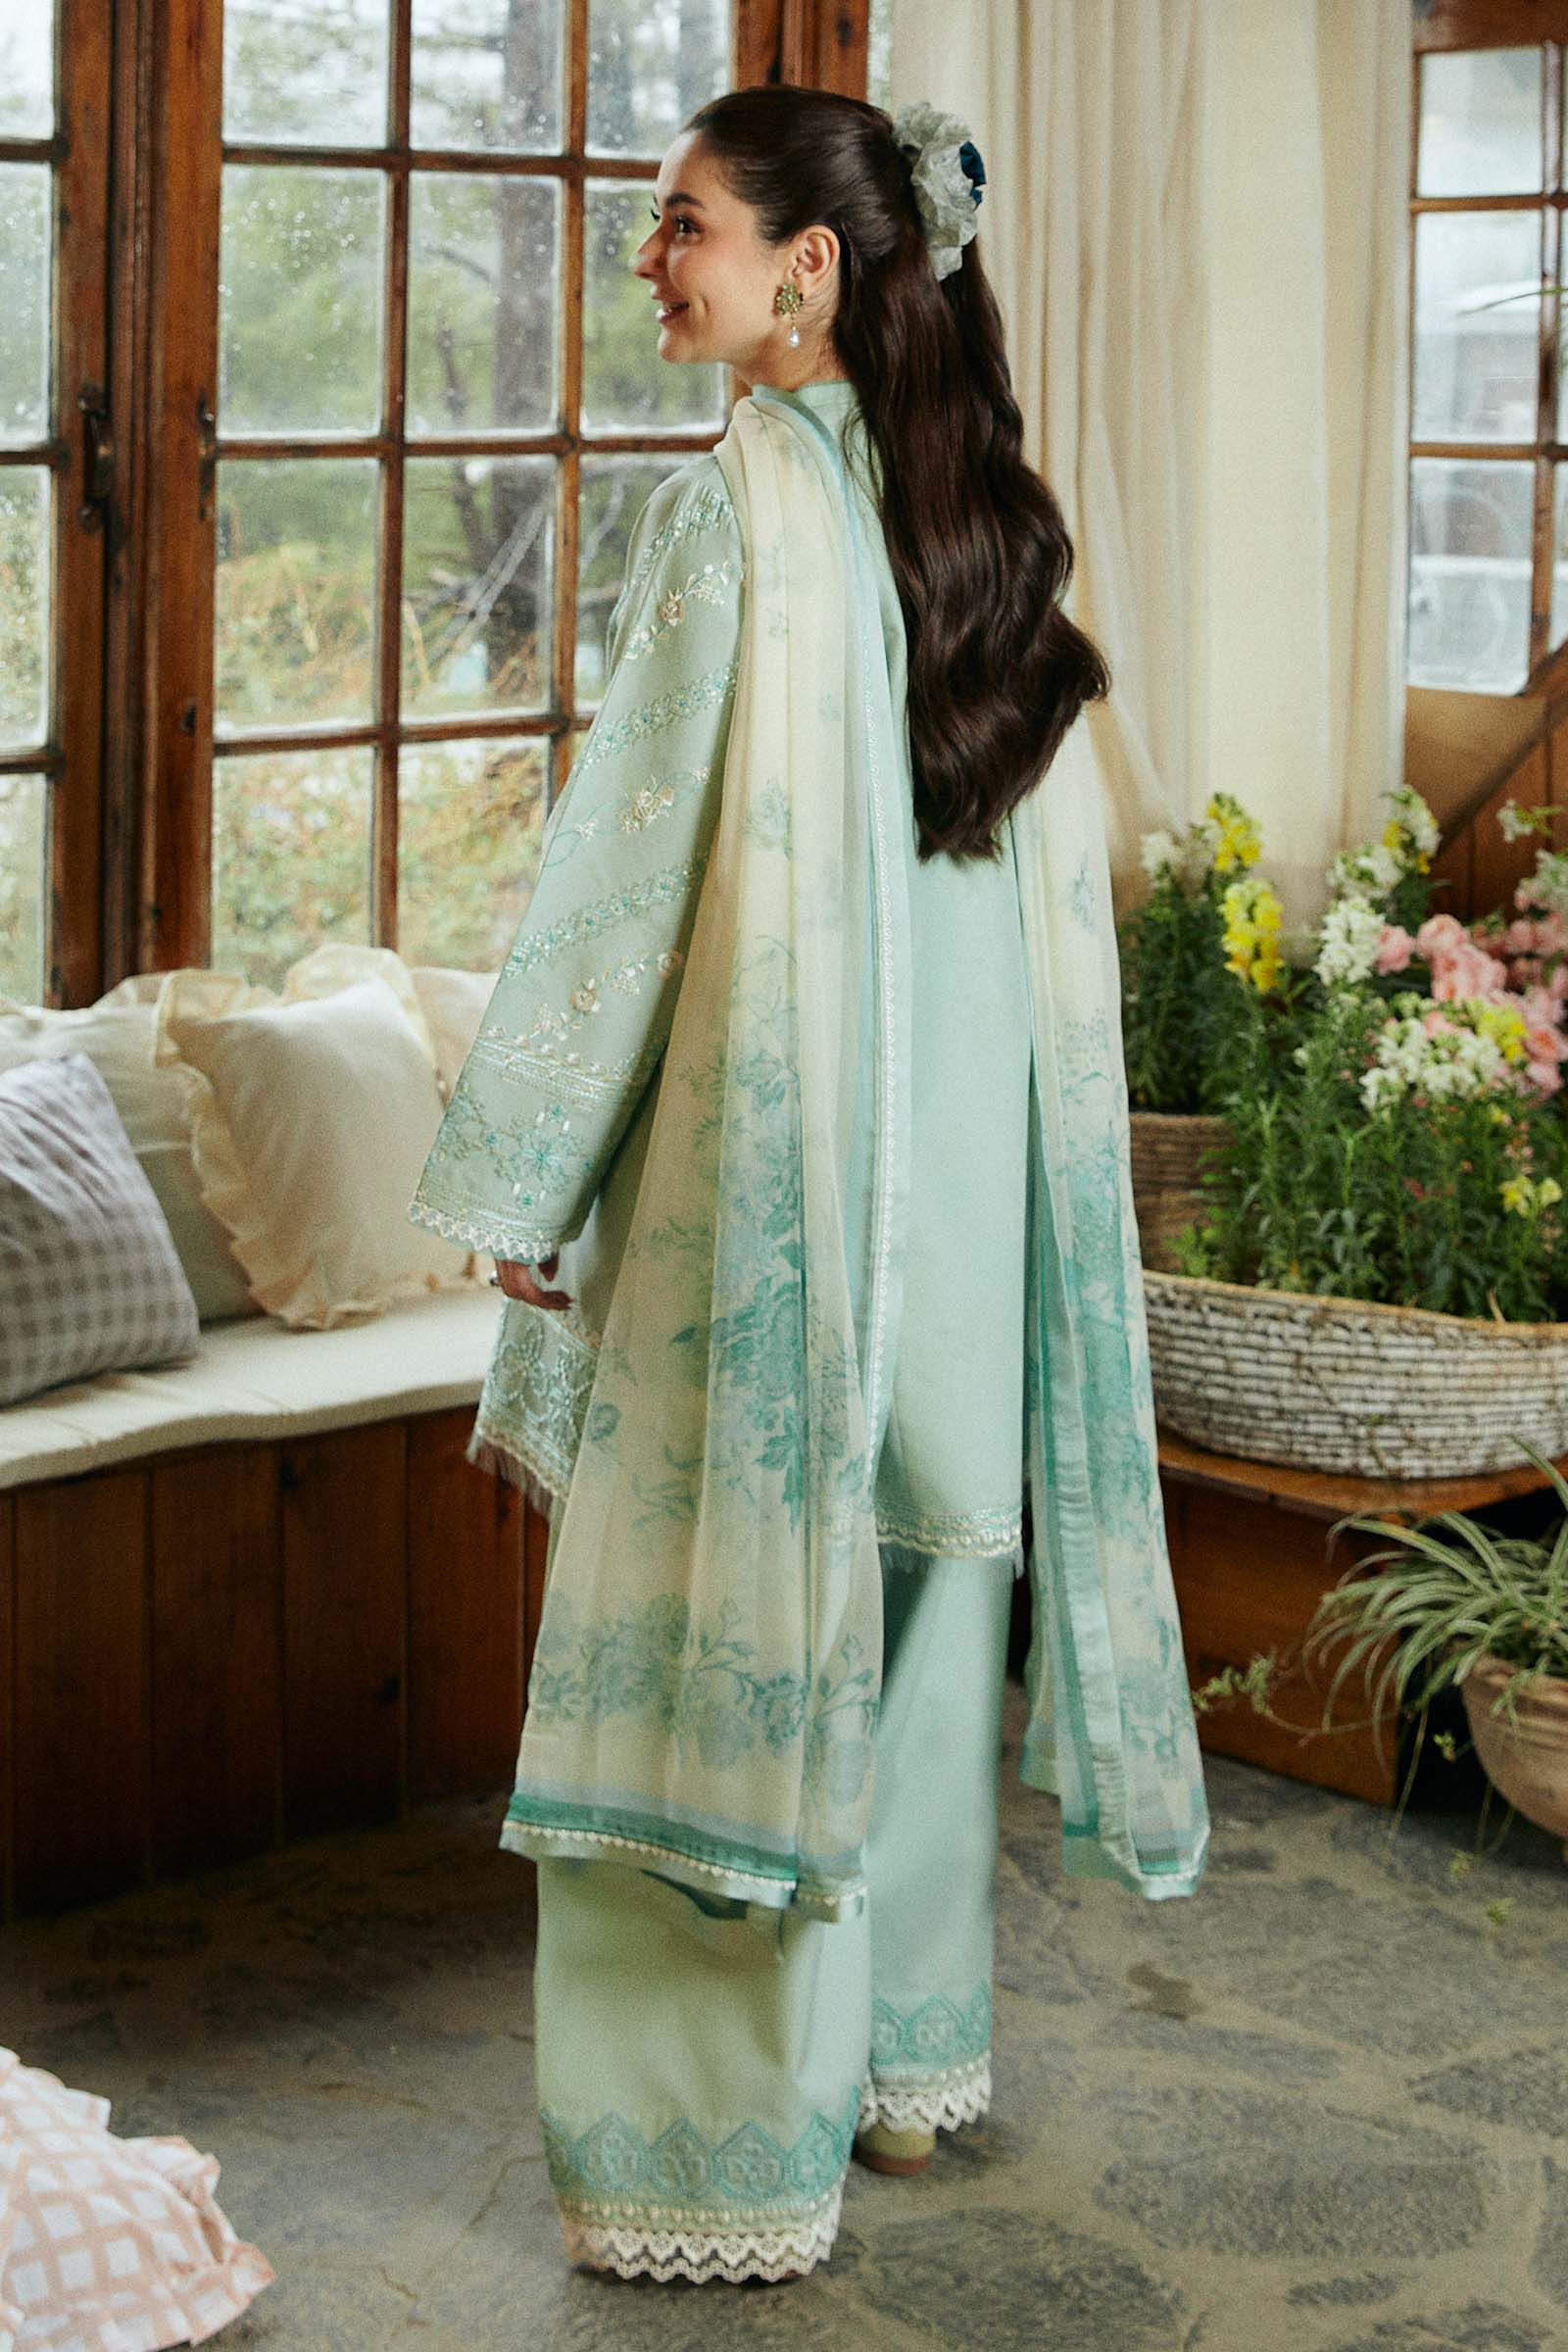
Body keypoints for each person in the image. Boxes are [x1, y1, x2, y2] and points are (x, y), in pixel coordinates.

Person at [407, 83, 1209, 2286]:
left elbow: (629, 873)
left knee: (728, 1626)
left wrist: (535, 1168)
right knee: (931, 1604)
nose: (646, 262)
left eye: (682, 224)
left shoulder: (738, 511)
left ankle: (712, 2145)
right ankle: (904, 2074)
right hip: (966, 1196)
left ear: (808, 270)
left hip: (784, 1190)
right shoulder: (984, 525)